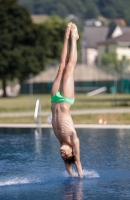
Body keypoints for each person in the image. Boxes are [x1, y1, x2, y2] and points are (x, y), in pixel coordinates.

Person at [51, 22, 83, 178]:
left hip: (54, 98)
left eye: (63, 156)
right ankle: (74, 39)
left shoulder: (60, 139)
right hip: (65, 99)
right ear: (72, 151)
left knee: (61, 66)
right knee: (70, 67)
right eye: (66, 154)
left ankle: (65, 37)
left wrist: (70, 174)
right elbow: (77, 162)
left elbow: (68, 166)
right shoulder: (72, 139)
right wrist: (79, 174)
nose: (63, 153)